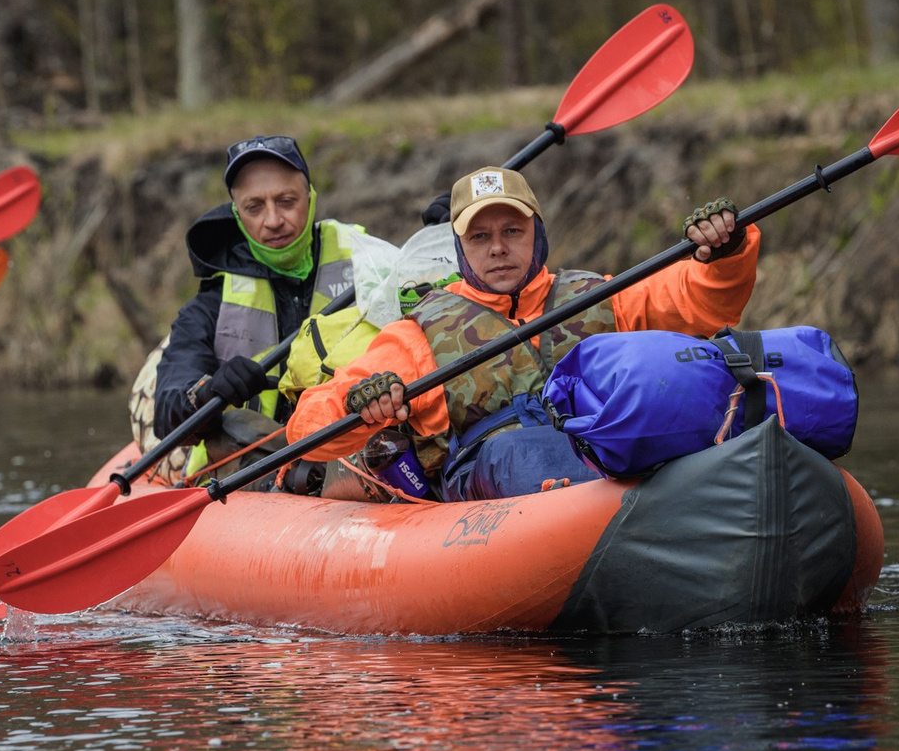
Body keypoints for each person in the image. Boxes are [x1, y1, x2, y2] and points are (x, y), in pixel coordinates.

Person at [285, 165, 757, 501]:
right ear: (461, 249)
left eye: (512, 231)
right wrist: (359, 405)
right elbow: (309, 423)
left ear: (538, 234)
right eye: (479, 237)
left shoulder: (601, 295)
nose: (497, 249)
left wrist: (722, 253)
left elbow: (697, 298)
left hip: (607, 456)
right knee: (515, 450)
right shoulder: (418, 334)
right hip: (491, 488)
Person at [148, 136, 383, 475]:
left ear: (310, 198)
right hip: (253, 470)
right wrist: (210, 391)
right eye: (254, 207)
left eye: (286, 201)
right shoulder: (211, 303)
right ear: (237, 214)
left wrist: (444, 243)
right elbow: (167, 412)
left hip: (354, 448)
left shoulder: (370, 263)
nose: (273, 220)